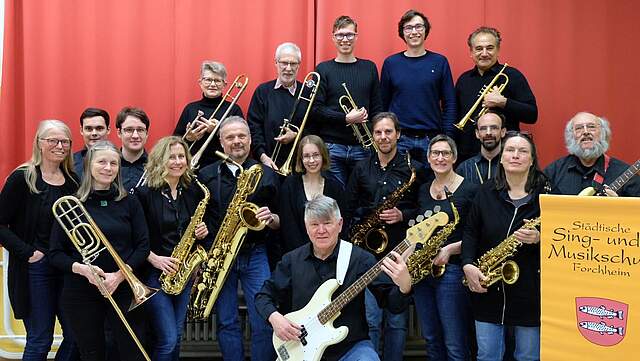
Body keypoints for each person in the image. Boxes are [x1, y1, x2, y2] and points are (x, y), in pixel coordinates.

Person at [255, 195, 413, 361]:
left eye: (327, 223)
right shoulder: (291, 260)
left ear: (340, 224)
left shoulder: (360, 259)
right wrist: (275, 318)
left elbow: (392, 304)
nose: (321, 230)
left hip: (350, 348)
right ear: (306, 227)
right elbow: (263, 296)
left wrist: (404, 286)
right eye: (314, 224)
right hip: (300, 349)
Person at [49, 140, 150, 361]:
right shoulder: (71, 204)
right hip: (81, 291)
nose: (108, 168)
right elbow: (55, 254)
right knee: (91, 353)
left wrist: (119, 276)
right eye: (102, 162)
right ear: (88, 166)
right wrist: (84, 270)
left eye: (114, 163)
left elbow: (143, 246)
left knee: (131, 352)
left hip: (123, 288)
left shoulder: (129, 201)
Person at [462, 132, 549, 361]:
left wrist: (541, 238)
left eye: (523, 151)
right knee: (488, 355)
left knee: (528, 356)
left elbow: (563, 235)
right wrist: (468, 265)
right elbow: (470, 232)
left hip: (531, 291)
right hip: (488, 287)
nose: (515, 155)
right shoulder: (486, 191)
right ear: (501, 157)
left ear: (532, 159)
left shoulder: (548, 193)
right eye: (510, 150)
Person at [198, 116, 279, 361]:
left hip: (255, 253)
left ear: (250, 139)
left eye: (241, 136)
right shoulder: (206, 174)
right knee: (226, 321)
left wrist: (271, 217)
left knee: (263, 320)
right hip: (220, 255)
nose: (236, 141)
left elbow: (280, 219)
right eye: (230, 137)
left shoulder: (266, 173)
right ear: (221, 142)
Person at [0, 120, 78, 361]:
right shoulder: (23, 178)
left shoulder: (73, 182)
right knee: (40, 338)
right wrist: (28, 253)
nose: (59, 146)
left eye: (65, 141)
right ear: (39, 144)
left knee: (76, 336)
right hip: (36, 269)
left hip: (66, 268)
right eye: (52, 140)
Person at [343, 112, 417, 361]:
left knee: (397, 324)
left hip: (400, 255)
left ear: (398, 134)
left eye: (388, 132)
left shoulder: (413, 169)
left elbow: (423, 208)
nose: (383, 137)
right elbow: (348, 207)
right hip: (367, 258)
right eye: (378, 132)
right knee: (372, 323)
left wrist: (403, 215)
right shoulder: (361, 167)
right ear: (372, 136)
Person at [134, 136, 209, 361]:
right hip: (154, 275)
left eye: (181, 157)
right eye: (171, 157)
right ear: (159, 160)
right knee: (167, 339)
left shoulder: (191, 191)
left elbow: (193, 231)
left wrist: (201, 233)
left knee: (175, 336)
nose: (177, 162)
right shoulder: (144, 194)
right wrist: (155, 259)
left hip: (183, 273)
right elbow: (133, 238)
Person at [413, 135, 477, 360]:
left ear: (454, 157)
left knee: (455, 343)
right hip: (422, 273)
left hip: (452, 272)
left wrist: (449, 250)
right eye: (435, 153)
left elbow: (477, 234)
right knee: (431, 339)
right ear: (428, 158)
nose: (440, 158)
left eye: (445, 153)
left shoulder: (469, 189)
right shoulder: (422, 190)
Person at [312, 15, 383, 188]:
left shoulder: (369, 68)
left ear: (356, 37)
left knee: (363, 197)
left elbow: (377, 108)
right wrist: (346, 118)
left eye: (350, 35)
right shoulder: (323, 69)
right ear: (333, 38)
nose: (345, 39)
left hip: (363, 148)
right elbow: (315, 110)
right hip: (332, 147)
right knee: (336, 197)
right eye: (340, 35)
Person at [380, 9, 456, 164]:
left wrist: (447, 137)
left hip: (432, 139)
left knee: (430, 185)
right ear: (402, 33)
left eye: (418, 27)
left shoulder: (440, 62)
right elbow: (383, 104)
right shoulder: (391, 63)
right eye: (408, 28)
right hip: (399, 140)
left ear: (425, 30)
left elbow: (450, 103)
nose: (414, 32)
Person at [455, 26, 537, 162]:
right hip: (468, 156)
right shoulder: (464, 80)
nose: (484, 53)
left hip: (504, 155)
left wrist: (503, 102)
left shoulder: (512, 76)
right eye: (479, 48)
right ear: (471, 52)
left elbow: (532, 115)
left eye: (490, 48)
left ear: (498, 50)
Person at [545, 112, 640, 196]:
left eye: (591, 127)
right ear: (571, 135)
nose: (586, 132)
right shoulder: (554, 172)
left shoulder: (624, 173)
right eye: (579, 128)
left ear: (603, 133)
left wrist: (619, 206)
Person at [278, 135, 344, 253]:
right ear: (301, 159)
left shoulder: (335, 187)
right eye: (306, 156)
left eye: (316, 155)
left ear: (323, 156)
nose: (312, 160)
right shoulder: (290, 185)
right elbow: (288, 226)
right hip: (297, 254)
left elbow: (338, 224)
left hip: (329, 253)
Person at [174, 60, 244, 169]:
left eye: (217, 80)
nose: (212, 84)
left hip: (225, 168)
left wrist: (218, 131)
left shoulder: (234, 109)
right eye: (208, 80)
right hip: (194, 168)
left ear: (225, 84)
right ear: (200, 82)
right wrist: (188, 138)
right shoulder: (190, 109)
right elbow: (174, 142)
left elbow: (242, 141)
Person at [248, 42, 305, 170]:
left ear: (299, 66)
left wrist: (297, 136)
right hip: (267, 163)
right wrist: (263, 157)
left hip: (300, 165)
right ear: (276, 63)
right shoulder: (263, 91)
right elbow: (254, 128)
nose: (288, 68)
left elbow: (316, 128)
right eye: (284, 63)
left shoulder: (307, 92)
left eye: (293, 63)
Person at [456, 111, 507, 185]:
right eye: (483, 128)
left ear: (503, 132)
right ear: (477, 133)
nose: (488, 133)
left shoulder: (512, 165)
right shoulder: (463, 168)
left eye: (494, 128)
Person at [116, 107, 150, 191]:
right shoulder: (109, 167)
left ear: (147, 134)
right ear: (119, 133)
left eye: (140, 130)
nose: (135, 136)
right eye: (129, 130)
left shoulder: (157, 167)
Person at [74, 108, 111, 179]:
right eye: (88, 129)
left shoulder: (119, 161)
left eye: (99, 128)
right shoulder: (70, 164)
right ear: (81, 130)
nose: (94, 133)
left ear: (108, 130)